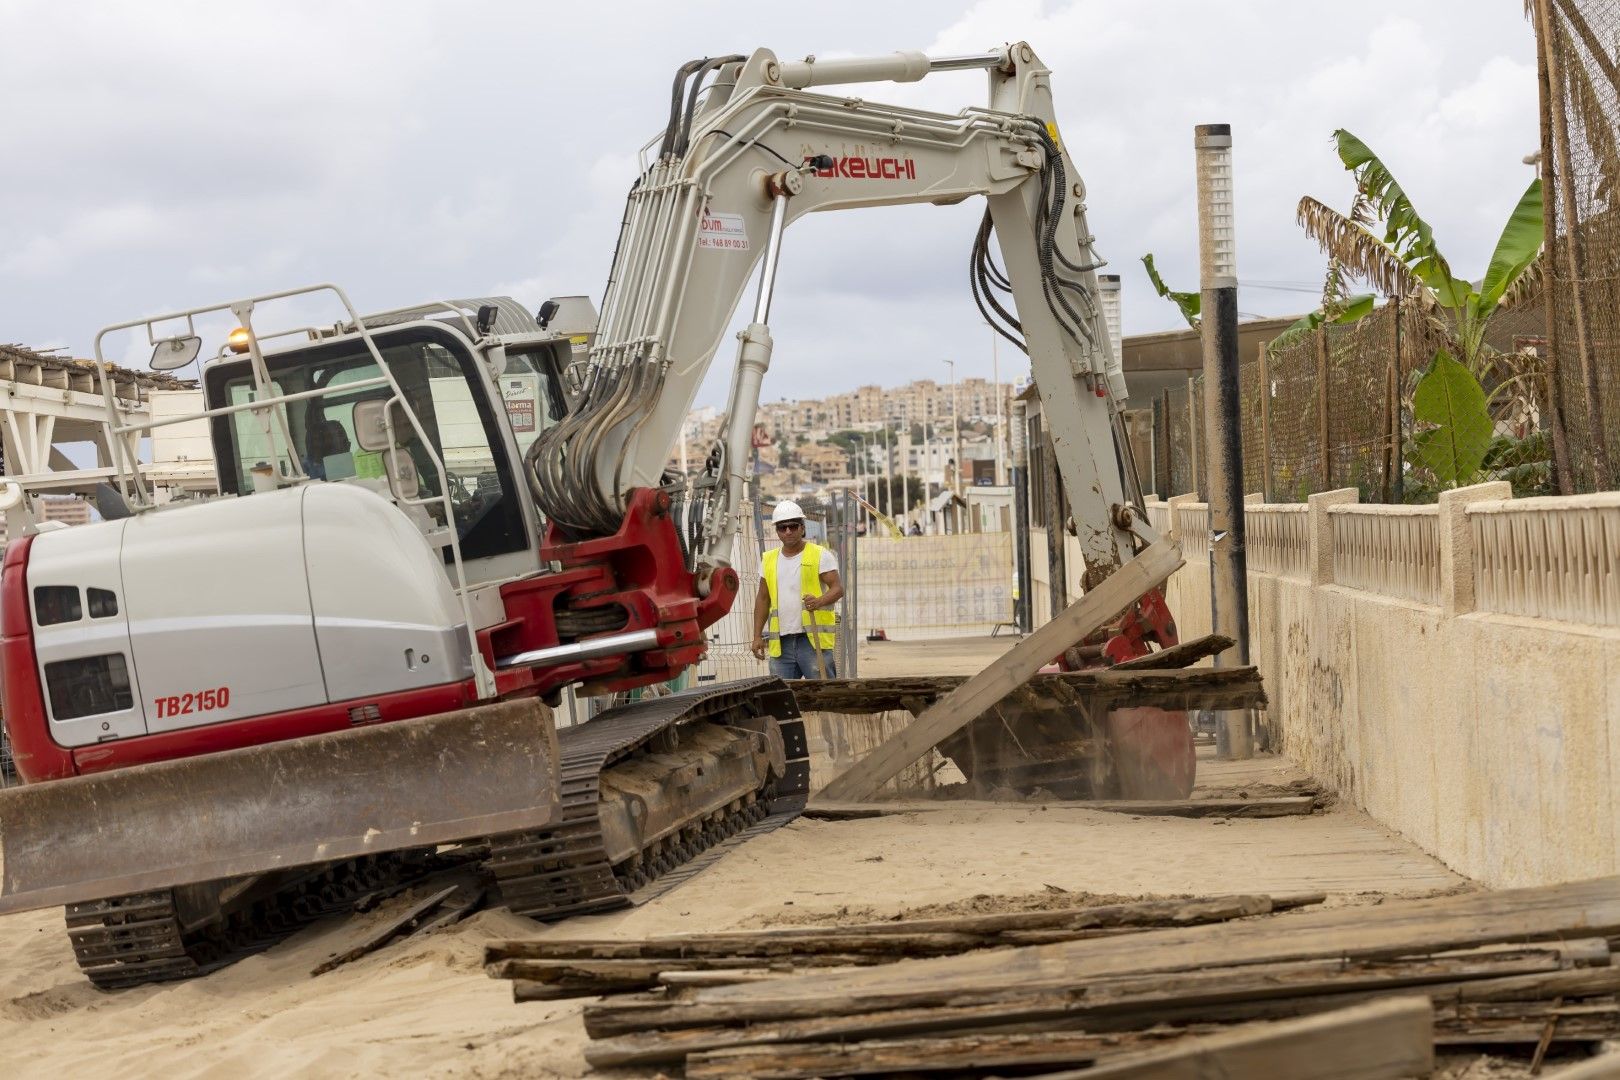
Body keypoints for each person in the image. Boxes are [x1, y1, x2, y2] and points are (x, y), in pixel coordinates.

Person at [751, 500, 843, 679]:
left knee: (824, 695)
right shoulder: (769, 560)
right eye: (782, 527)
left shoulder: (820, 554)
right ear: (777, 530)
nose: (787, 532)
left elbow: (838, 589)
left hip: (812, 641)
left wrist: (819, 601)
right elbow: (762, 599)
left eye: (793, 526)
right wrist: (756, 636)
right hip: (781, 644)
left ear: (802, 527)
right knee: (781, 698)